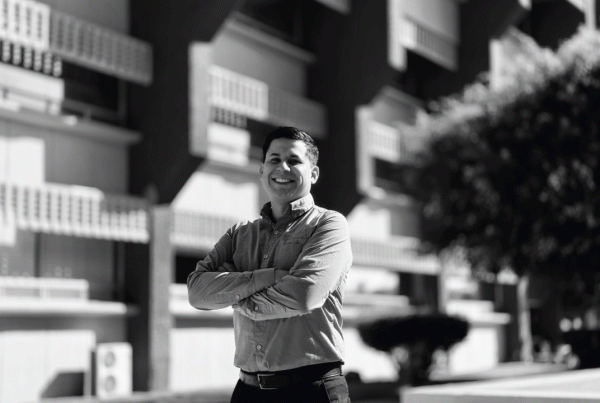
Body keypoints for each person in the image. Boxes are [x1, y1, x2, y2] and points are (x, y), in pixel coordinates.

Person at [187, 126, 353, 403]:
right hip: (247, 391)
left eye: (294, 160)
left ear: (313, 173)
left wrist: (236, 297)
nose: (282, 167)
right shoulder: (239, 234)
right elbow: (197, 292)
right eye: (274, 159)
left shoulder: (329, 224)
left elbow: (303, 295)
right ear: (262, 170)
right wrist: (271, 277)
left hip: (311, 390)